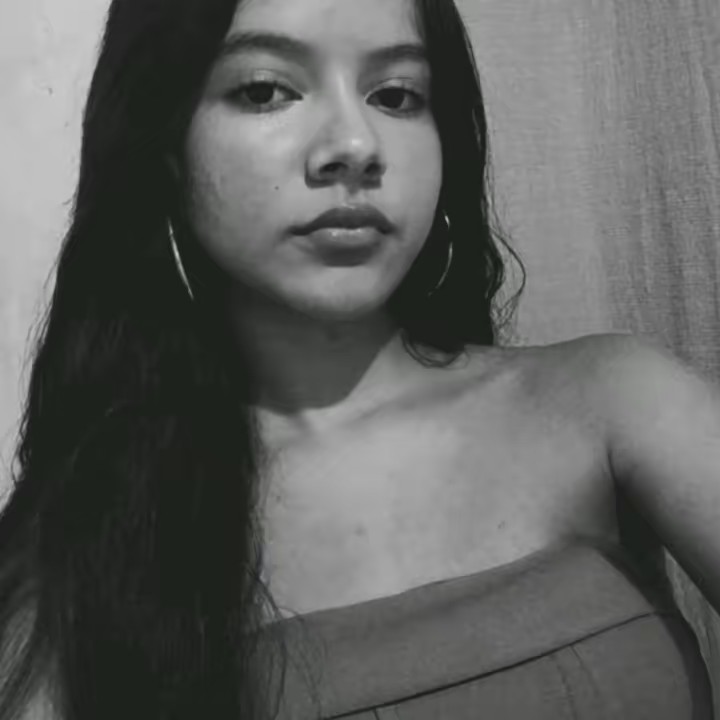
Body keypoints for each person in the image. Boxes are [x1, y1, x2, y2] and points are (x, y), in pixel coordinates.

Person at [1, 0, 719, 717]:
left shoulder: (615, 405)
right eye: (265, 90)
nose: (354, 144)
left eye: (396, 96)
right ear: (164, 146)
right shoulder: (90, 539)